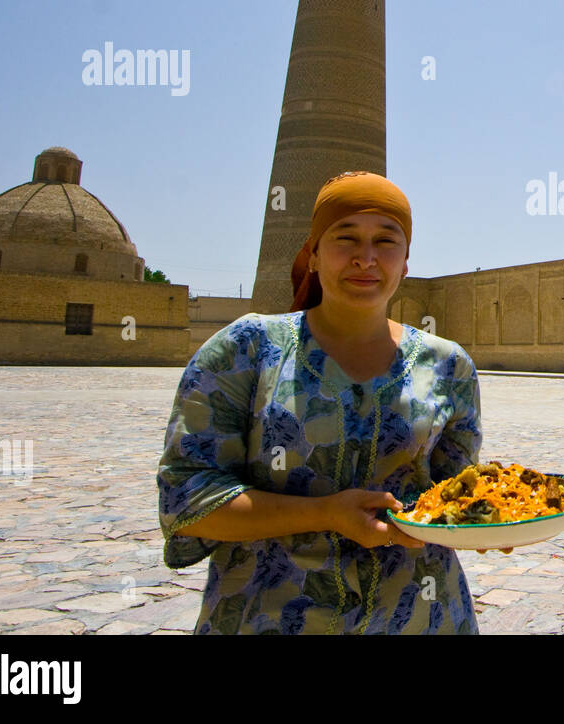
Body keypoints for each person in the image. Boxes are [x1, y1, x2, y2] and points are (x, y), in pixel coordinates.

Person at [156, 171, 488, 634]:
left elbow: (454, 493)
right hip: (269, 613)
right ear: (312, 254)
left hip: (419, 615)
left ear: (406, 262)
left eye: (386, 241)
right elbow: (186, 499)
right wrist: (324, 514)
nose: (365, 258)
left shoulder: (448, 366)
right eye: (345, 237)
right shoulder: (246, 350)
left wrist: (492, 522)